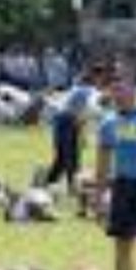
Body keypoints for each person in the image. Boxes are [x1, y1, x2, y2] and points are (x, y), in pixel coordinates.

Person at [95, 67, 136, 270]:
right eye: (114, 90)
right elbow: (103, 162)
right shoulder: (108, 123)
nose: (117, 94)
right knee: (123, 244)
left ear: (134, 89)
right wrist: (99, 195)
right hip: (124, 186)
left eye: (122, 88)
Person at [47, 63, 103, 193]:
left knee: (62, 157)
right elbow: (86, 113)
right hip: (68, 122)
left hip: (62, 121)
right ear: (96, 76)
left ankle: (50, 182)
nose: (101, 80)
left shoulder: (79, 86)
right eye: (101, 77)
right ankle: (74, 186)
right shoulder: (89, 90)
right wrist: (83, 135)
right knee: (71, 156)